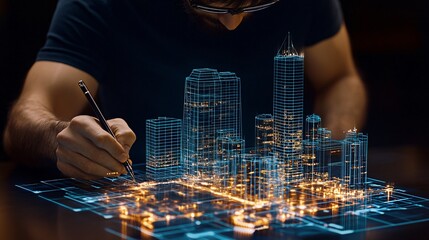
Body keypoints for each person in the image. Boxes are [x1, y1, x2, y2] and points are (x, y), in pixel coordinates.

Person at [3, 0, 367, 180]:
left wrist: (324, 152)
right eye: (213, 5)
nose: (233, 22)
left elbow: (340, 80)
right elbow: (28, 115)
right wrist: (58, 140)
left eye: (253, 2)